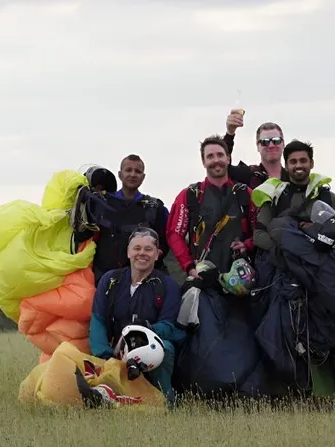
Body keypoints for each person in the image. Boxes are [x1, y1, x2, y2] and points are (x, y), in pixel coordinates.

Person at [88, 227, 185, 403]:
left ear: (157, 254)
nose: (142, 253)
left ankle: (164, 401)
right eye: (137, 248)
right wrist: (105, 356)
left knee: (167, 349)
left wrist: (140, 336)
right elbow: (98, 320)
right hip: (116, 351)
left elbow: (168, 325)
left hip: (151, 350)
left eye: (148, 249)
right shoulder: (110, 281)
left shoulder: (168, 285)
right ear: (128, 252)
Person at [166, 135, 257, 278]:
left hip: (240, 279)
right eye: (210, 156)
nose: (216, 160)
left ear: (228, 158)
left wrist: (247, 245)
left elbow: (261, 229)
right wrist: (189, 266)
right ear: (203, 161)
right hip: (202, 278)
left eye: (220, 155)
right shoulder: (190, 195)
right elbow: (174, 234)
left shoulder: (245, 193)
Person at [75, 157, 170, 283]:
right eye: (128, 170)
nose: (133, 174)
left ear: (143, 177)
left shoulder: (155, 209)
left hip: (142, 281)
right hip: (102, 279)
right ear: (120, 174)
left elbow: (164, 242)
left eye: (137, 171)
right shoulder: (99, 203)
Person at [252, 139, 335, 253]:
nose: (298, 165)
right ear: (286, 166)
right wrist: (286, 251)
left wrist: (319, 228)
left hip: (322, 267)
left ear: (311, 163)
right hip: (286, 266)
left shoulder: (327, 197)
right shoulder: (275, 197)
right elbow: (258, 235)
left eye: (303, 161)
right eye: (293, 161)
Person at [222, 109, 288, 188]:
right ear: (257, 146)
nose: (271, 145)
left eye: (276, 141)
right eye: (265, 142)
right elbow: (223, 168)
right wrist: (230, 133)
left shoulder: (293, 178)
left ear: (283, 144)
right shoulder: (248, 175)